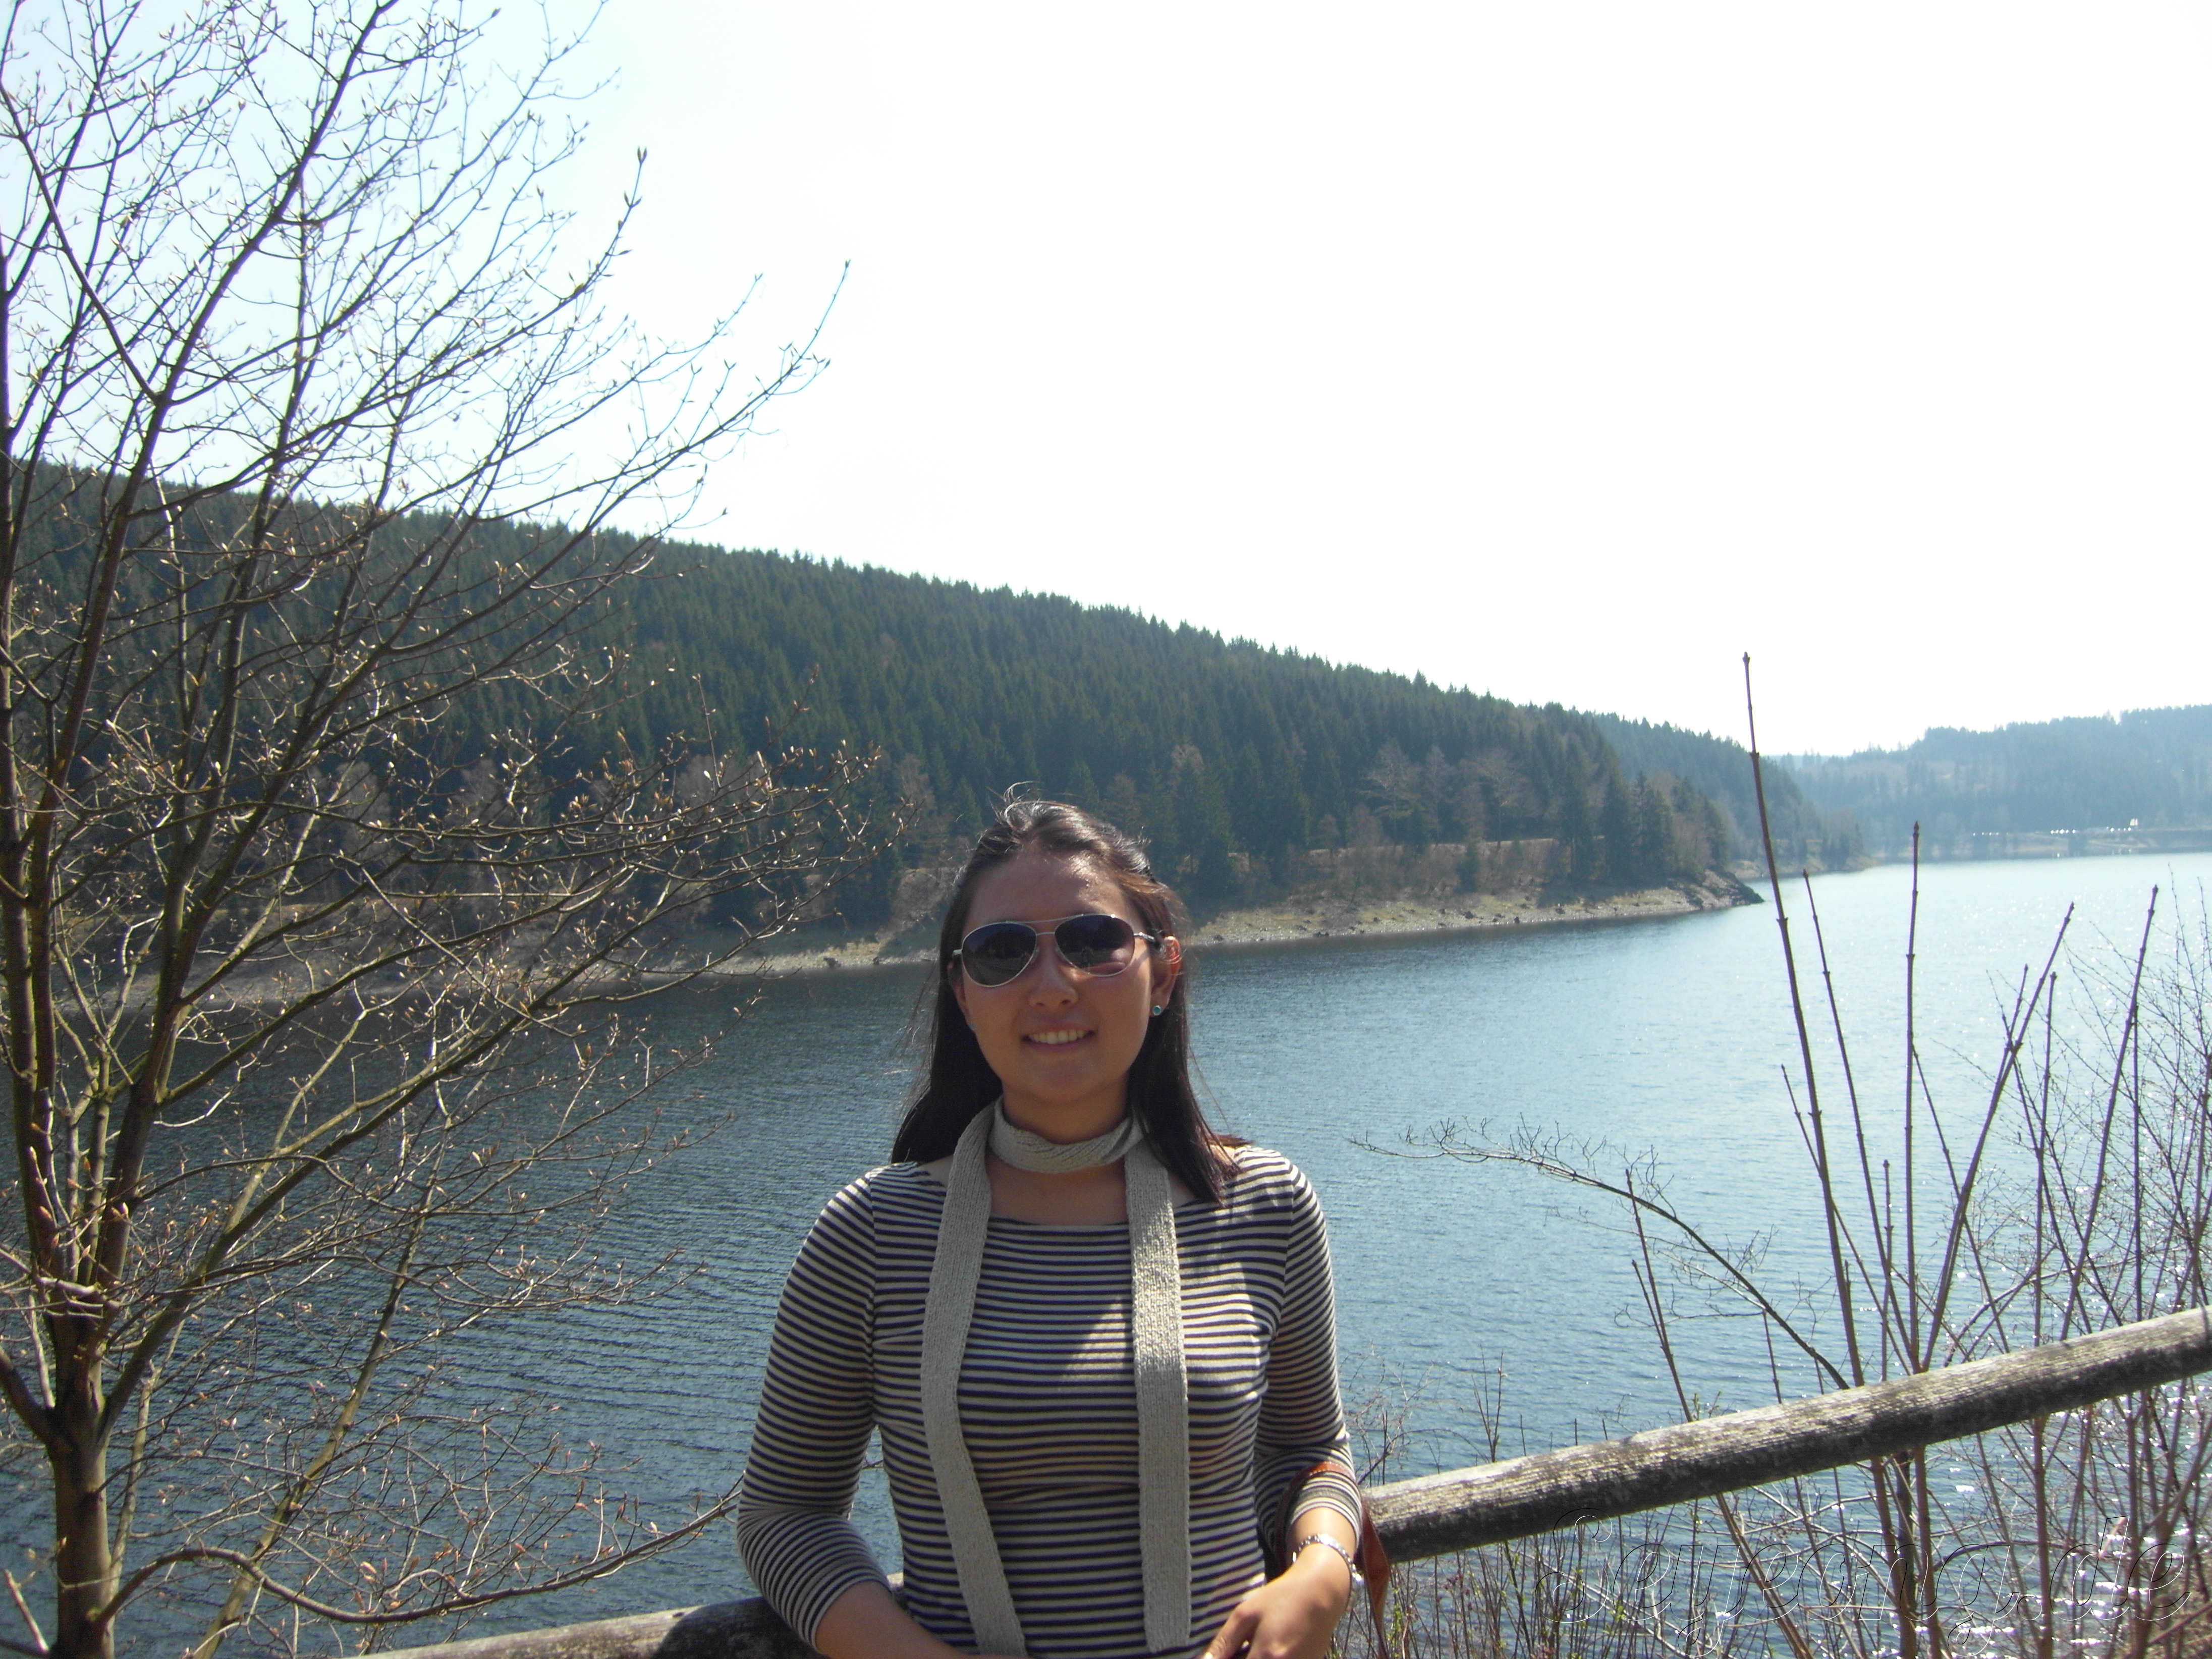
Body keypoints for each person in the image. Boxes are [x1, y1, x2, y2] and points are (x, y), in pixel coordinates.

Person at [736, 800, 1367, 1659]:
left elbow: (1308, 1450)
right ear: (963, 994)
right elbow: (785, 1516)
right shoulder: (870, 1234)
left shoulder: (1264, 1204)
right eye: (1003, 952)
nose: (1052, 984)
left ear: (1164, 973)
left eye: (1093, 941)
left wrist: (1324, 1568)